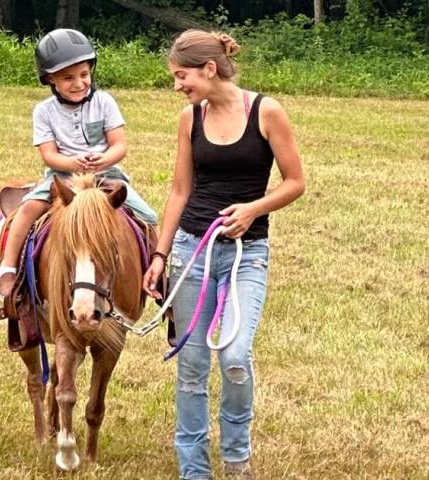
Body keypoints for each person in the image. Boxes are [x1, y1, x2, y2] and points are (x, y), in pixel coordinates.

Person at [142, 30, 305, 480]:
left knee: (234, 356)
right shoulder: (189, 118)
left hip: (245, 255)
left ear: (209, 69)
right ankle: (193, 469)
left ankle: (237, 457)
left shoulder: (265, 112)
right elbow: (180, 191)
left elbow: (295, 182)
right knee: (191, 365)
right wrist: (159, 255)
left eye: (182, 76)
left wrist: (253, 209)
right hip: (191, 251)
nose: (177, 85)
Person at [0, 28, 158, 298]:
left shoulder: (104, 102)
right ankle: (9, 267)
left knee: (149, 217)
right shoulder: (44, 111)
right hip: (62, 178)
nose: (79, 83)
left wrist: (104, 159)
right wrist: (72, 163)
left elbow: (120, 145)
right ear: (50, 80)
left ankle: (160, 277)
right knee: (27, 210)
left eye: (84, 75)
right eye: (67, 78)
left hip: (106, 175)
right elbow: (49, 155)